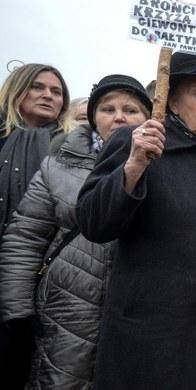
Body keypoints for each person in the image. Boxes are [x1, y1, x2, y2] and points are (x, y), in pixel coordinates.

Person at [76, 52, 196, 390]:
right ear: (173, 102)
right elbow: (94, 223)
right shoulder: (136, 142)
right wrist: (133, 167)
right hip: (152, 337)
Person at [0, 74, 151, 390]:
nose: (118, 116)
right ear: (94, 117)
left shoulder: (165, 166)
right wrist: (18, 312)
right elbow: (25, 237)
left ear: (148, 118)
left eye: (131, 110)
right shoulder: (59, 165)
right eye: (107, 109)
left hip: (137, 312)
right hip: (67, 310)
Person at [0, 63, 72, 388]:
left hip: (40, 285)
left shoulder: (71, 150)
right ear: (16, 89)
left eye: (56, 92)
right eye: (38, 87)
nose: (48, 95)